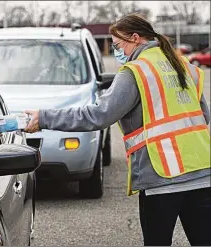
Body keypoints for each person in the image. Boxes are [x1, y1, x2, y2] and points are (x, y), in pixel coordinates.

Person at [24, 13, 211, 246]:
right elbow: (204, 116)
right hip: (202, 173)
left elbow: (98, 115)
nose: (116, 51)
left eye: (118, 45)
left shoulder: (136, 71)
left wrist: (44, 118)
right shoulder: (183, 66)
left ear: (135, 38)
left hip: (163, 175)